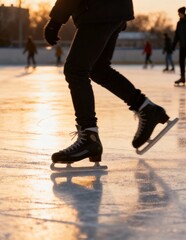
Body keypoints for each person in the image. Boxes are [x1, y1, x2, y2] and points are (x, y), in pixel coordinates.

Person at [44, 0, 175, 165]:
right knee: (99, 69)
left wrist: (56, 20)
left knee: (75, 70)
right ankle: (146, 108)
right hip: (113, 9)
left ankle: (89, 136)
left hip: (97, 9)